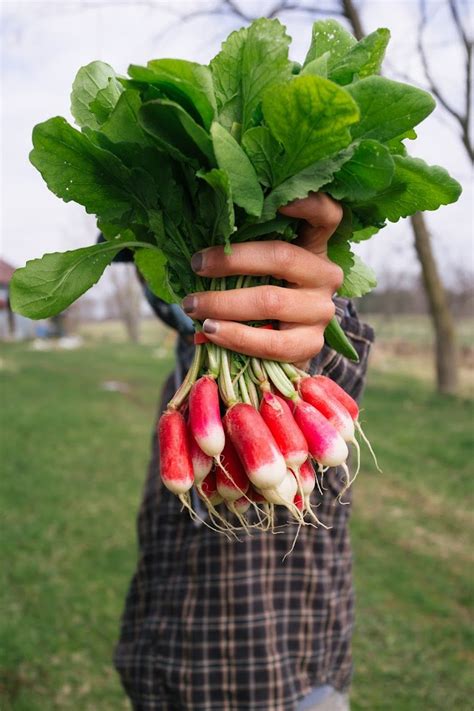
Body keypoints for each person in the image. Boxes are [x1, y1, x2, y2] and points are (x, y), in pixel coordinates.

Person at [113, 193, 374, 711]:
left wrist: (310, 313)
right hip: (165, 677)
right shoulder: (186, 380)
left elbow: (321, 343)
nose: (153, 280)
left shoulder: (283, 346)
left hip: (292, 686)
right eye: (148, 266)